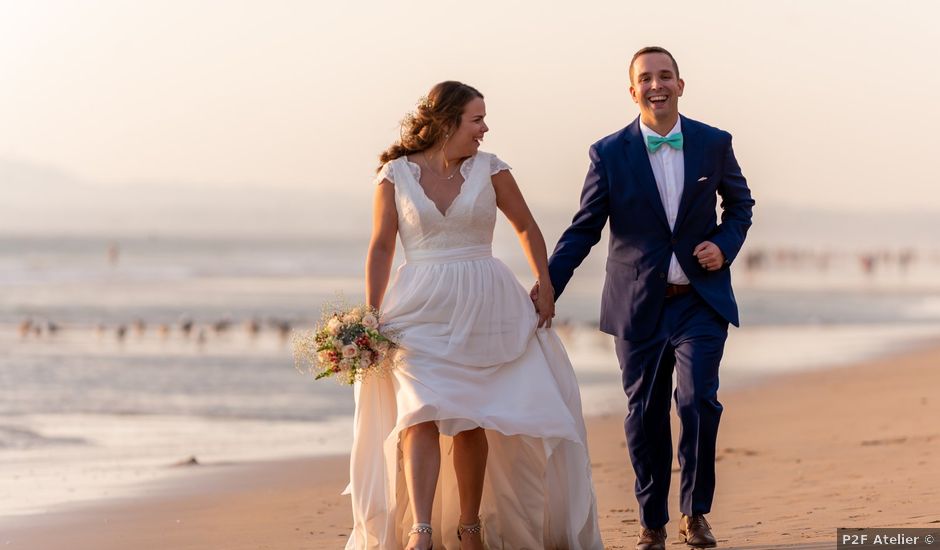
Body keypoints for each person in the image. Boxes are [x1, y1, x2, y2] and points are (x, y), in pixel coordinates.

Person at [349, 81, 603, 550]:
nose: (484, 129)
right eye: (476, 119)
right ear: (446, 122)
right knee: (417, 414)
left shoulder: (492, 169)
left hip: (486, 306)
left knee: (470, 417)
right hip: (417, 310)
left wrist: (545, 285)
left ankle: (470, 527)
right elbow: (382, 245)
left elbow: (525, 225)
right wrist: (370, 312)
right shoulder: (394, 175)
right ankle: (420, 531)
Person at [539, 47, 755, 550]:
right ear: (632, 90)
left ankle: (695, 513)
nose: (656, 85)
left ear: (681, 84)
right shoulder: (608, 153)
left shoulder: (714, 143)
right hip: (637, 306)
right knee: (644, 415)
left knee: (698, 400)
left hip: (699, 303)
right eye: (645, 78)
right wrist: (549, 287)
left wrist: (723, 246)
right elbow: (584, 229)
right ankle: (652, 522)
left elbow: (741, 206)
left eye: (665, 76)